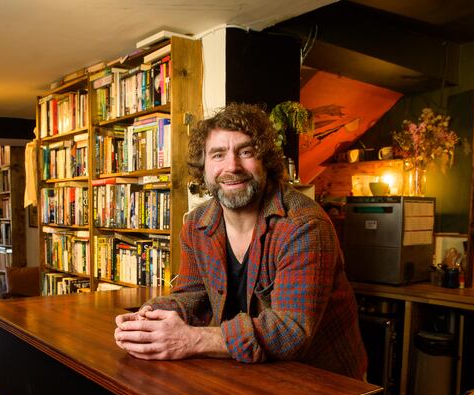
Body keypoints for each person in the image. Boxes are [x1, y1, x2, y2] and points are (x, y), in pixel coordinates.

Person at [114, 102, 367, 379]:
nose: (232, 166)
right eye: (218, 155)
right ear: (203, 167)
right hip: (253, 373)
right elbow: (192, 295)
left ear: (265, 162)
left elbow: (292, 331)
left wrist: (192, 340)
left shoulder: (304, 225)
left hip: (325, 381)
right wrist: (148, 319)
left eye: (246, 152)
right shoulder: (197, 224)